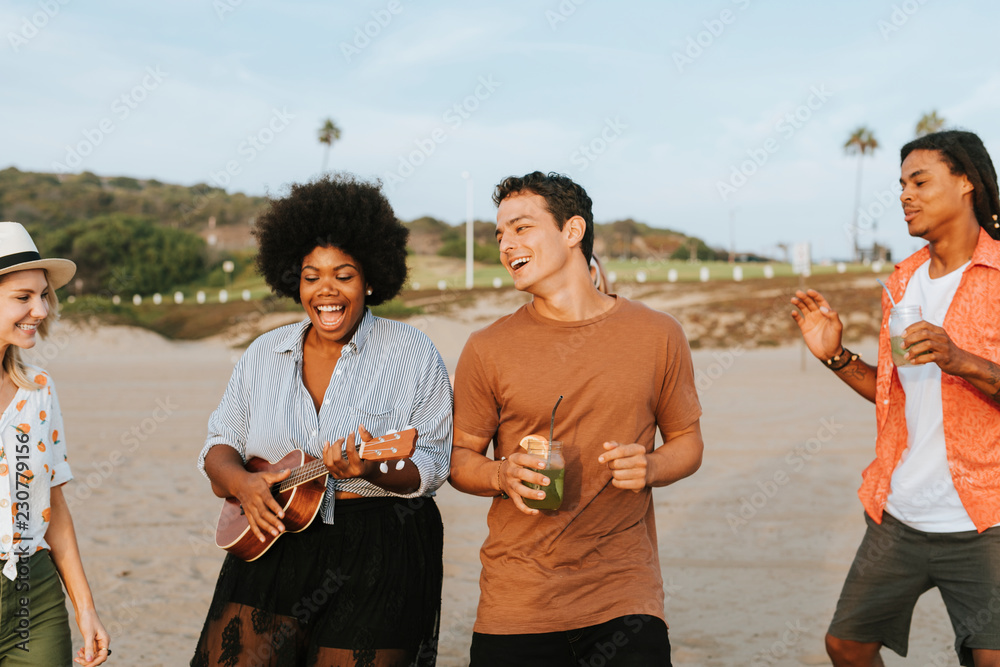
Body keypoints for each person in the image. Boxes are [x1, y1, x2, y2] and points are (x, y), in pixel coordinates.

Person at [191, 175, 453, 667]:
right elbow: (220, 443)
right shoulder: (264, 352)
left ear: (371, 278)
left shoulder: (415, 353)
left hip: (379, 547)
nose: (326, 291)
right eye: (311, 276)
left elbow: (434, 463)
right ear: (294, 280)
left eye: (344, 274)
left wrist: (372, 469)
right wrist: (244, 484)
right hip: (273, 539)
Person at [449, 171, 703, 666]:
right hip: (516, 601)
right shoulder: (487, 347)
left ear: (572, 231)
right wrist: (503, 474)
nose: (506, 244)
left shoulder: (657, 333)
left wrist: (652, 467)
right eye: (500, 233)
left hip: (624, 597)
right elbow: (458, 459)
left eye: (521, 228)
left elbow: (688, 442)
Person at [791, 130, 1000, 667]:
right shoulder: (901, 281)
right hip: (900, 512)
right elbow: (893, 392)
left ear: (966, 183)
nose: (905, 194)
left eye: (920, 181)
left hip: (986, 519)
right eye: (901, 183)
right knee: (847, 645)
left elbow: (961, 369)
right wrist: (835, 356)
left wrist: (963, 361)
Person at [0, 222, 110, 666]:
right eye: (23, 297)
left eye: (43, 295)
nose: (41, 310)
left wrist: (85, 609)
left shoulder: (39, 390)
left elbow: (54, 506)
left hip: (36, 596)